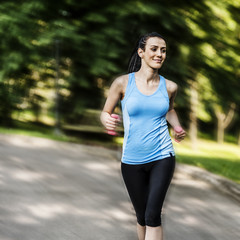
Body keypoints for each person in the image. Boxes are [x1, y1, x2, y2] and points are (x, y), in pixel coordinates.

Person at [100, 32, 186, 240]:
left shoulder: (170, 87)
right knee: (141, 216)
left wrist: (176, 126)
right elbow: (106, 112)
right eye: (154, 49)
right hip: (131, 159)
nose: (159, 54)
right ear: (141, 52)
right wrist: (106, 119)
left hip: (162, 156)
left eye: (163, 50)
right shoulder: (122, 83)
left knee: (152, 215)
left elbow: (168, 109)